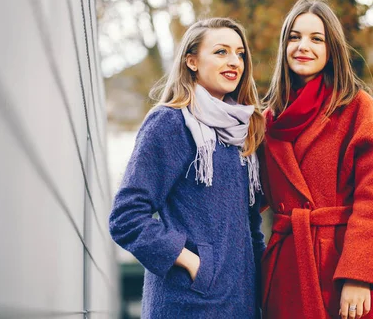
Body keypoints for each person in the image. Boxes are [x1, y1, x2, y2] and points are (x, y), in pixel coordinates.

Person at [109, 18, 266, 318]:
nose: (234, 61)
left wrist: (261, 288)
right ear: (191, 61)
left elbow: (250, 225)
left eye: (240, 53)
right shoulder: (170, 124)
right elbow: (126, 217)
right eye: (221, 52)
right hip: (187, 304)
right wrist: (192, 262)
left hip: (240, 305)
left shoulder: (243, 130)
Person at [260, 0, 373, 319]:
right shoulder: (269, 119)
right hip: (289, 275)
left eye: (315, 38)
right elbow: (250, 197)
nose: (303, 46)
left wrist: (359, 275)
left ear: (331, 48)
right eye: (295, 37)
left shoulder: (357, 108)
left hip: (344, 272)